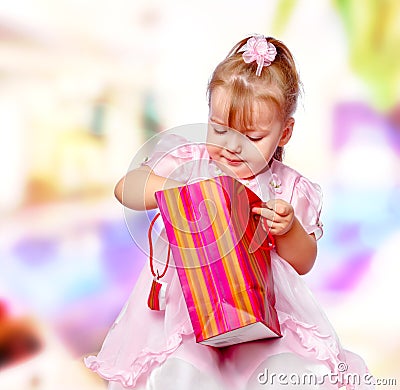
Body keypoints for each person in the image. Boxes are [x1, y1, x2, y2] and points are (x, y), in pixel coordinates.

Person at [85, 35, 373, 389]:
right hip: (186, 313)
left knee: (284, 373)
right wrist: (170, 186)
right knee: (180, 372)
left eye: (252, 137)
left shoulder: (286, 187)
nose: (233, 146)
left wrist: (288, 228)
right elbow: (125, 188)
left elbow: (304, 262)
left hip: (265, 316)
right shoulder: (191, 161)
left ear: (284, 133)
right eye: (220, 129)